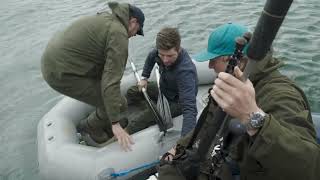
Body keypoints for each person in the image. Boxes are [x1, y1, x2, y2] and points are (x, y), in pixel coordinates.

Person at [158, 23, 320, 180]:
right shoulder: (231, 85)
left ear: (238, 61)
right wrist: (179, 147)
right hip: (232, 158)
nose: (210, 65)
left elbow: (308, 169)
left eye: (215, 59)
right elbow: (208, 123)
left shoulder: (281, 95)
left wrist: (251, 116)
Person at [41, 2, 145, 151]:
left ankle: (102, 123)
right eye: (137, 30)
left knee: (115, 100)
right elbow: (110, 84)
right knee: (116, 103)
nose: (135, 34)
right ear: (133, 21)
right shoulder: (119, 35)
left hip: (56, 61)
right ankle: (90, 128)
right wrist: (115, 123)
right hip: (61, 72)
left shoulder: (107, 18)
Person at [126, 27, 198, 136]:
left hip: (177, 102)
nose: (165, 60)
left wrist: (183, 143)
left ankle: (121, 135)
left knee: (137, 123)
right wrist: (144, 78)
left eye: (170, 56)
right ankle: (147, 106)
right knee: (132, 91)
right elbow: (151, 57)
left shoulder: (185, 72)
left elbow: (190, 110)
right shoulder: (159, 52)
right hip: (164, 89)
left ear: (178, 50)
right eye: (162, 55)